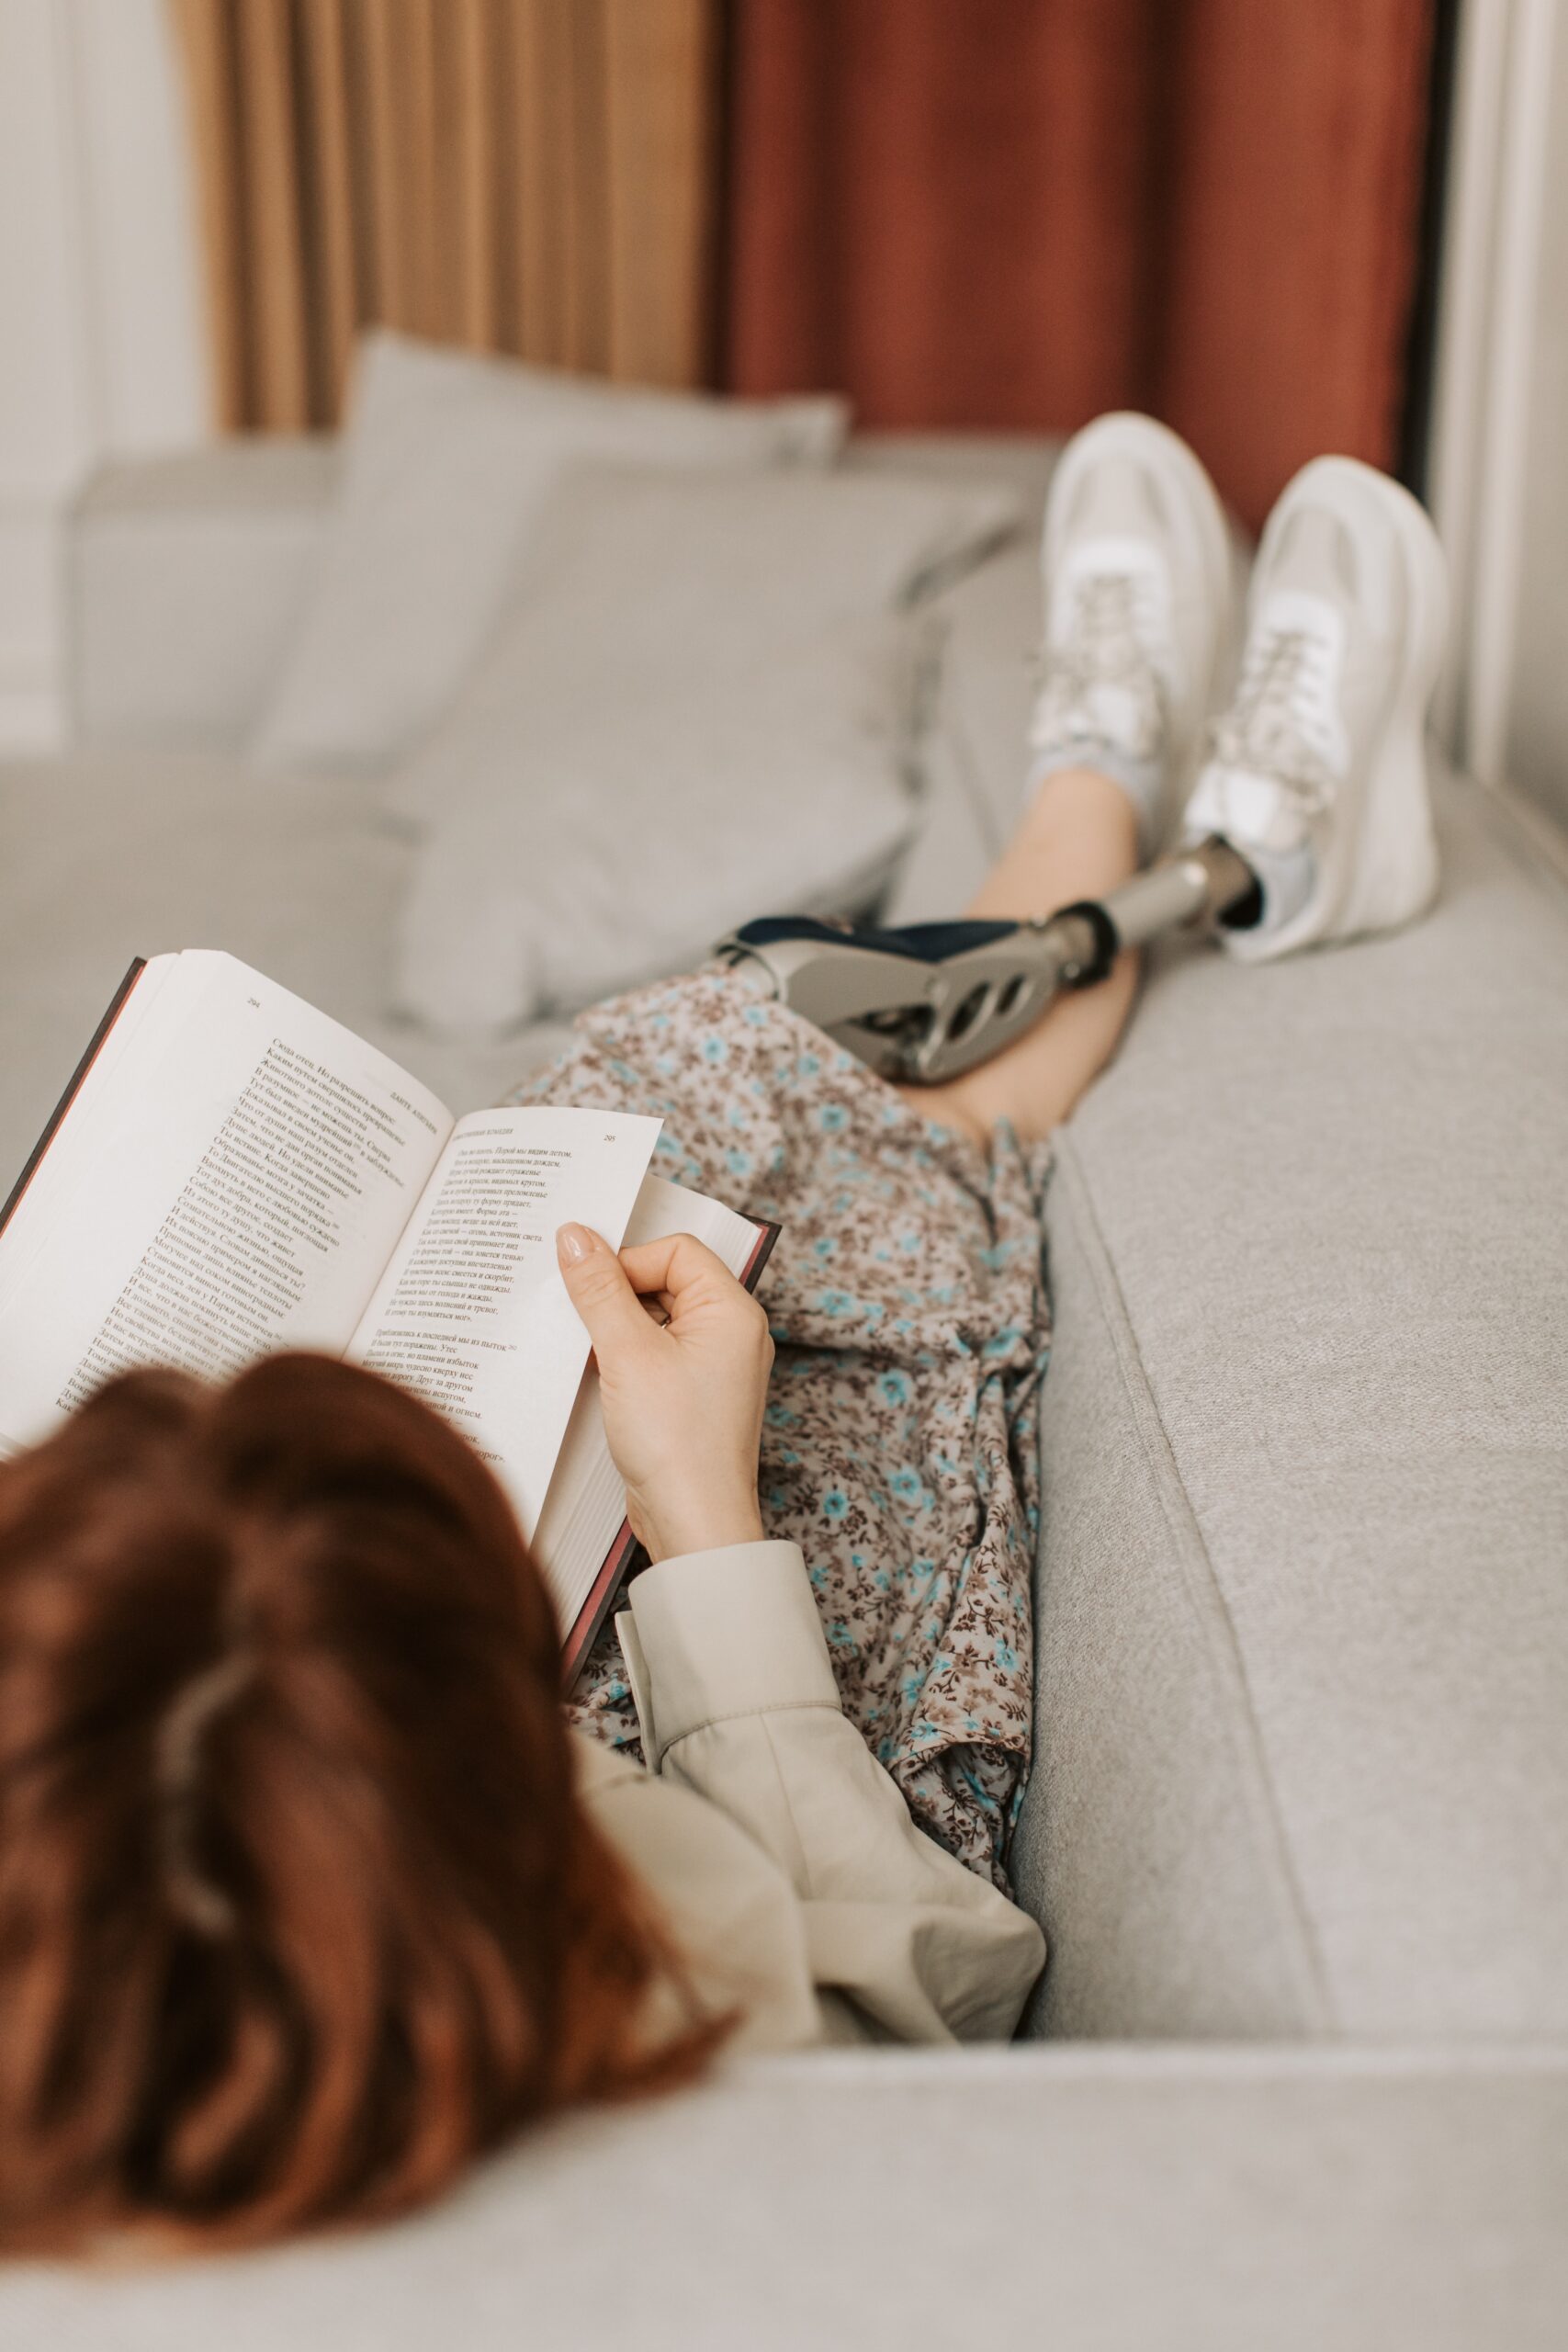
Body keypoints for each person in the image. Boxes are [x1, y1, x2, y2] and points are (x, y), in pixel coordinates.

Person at [0, 416, 1446, 2253]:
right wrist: (700, 1523)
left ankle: (1115, 819)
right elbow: (912, 1994)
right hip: (725, 1732)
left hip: (357, 1720)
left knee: (641, 1105)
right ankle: (1189, 841)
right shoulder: (615, 2018)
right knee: (784, 1233)